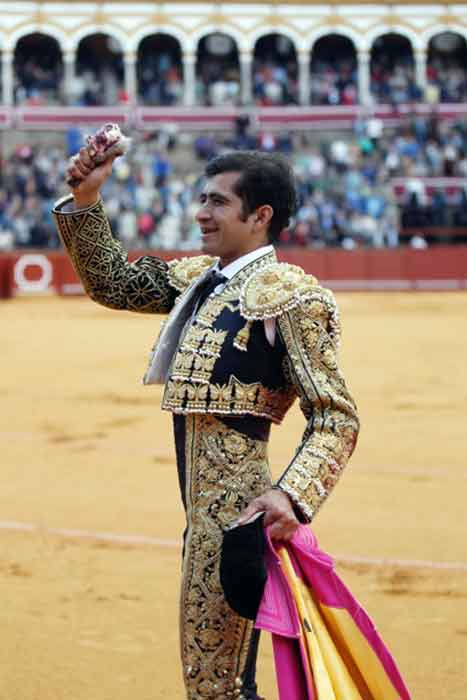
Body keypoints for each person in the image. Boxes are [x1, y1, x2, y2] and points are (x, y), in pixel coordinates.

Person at [52, 147, 359, 700]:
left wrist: (292, 495)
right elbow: (114, 284)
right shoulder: (199, 278)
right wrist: (87, 198)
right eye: (202, 199)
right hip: (200, 513)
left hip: (238, 518)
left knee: (216, 685)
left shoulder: (291, 296)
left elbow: (335, 416)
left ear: (260, 215)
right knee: (215, 683)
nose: (201, 213)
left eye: (218, 202)